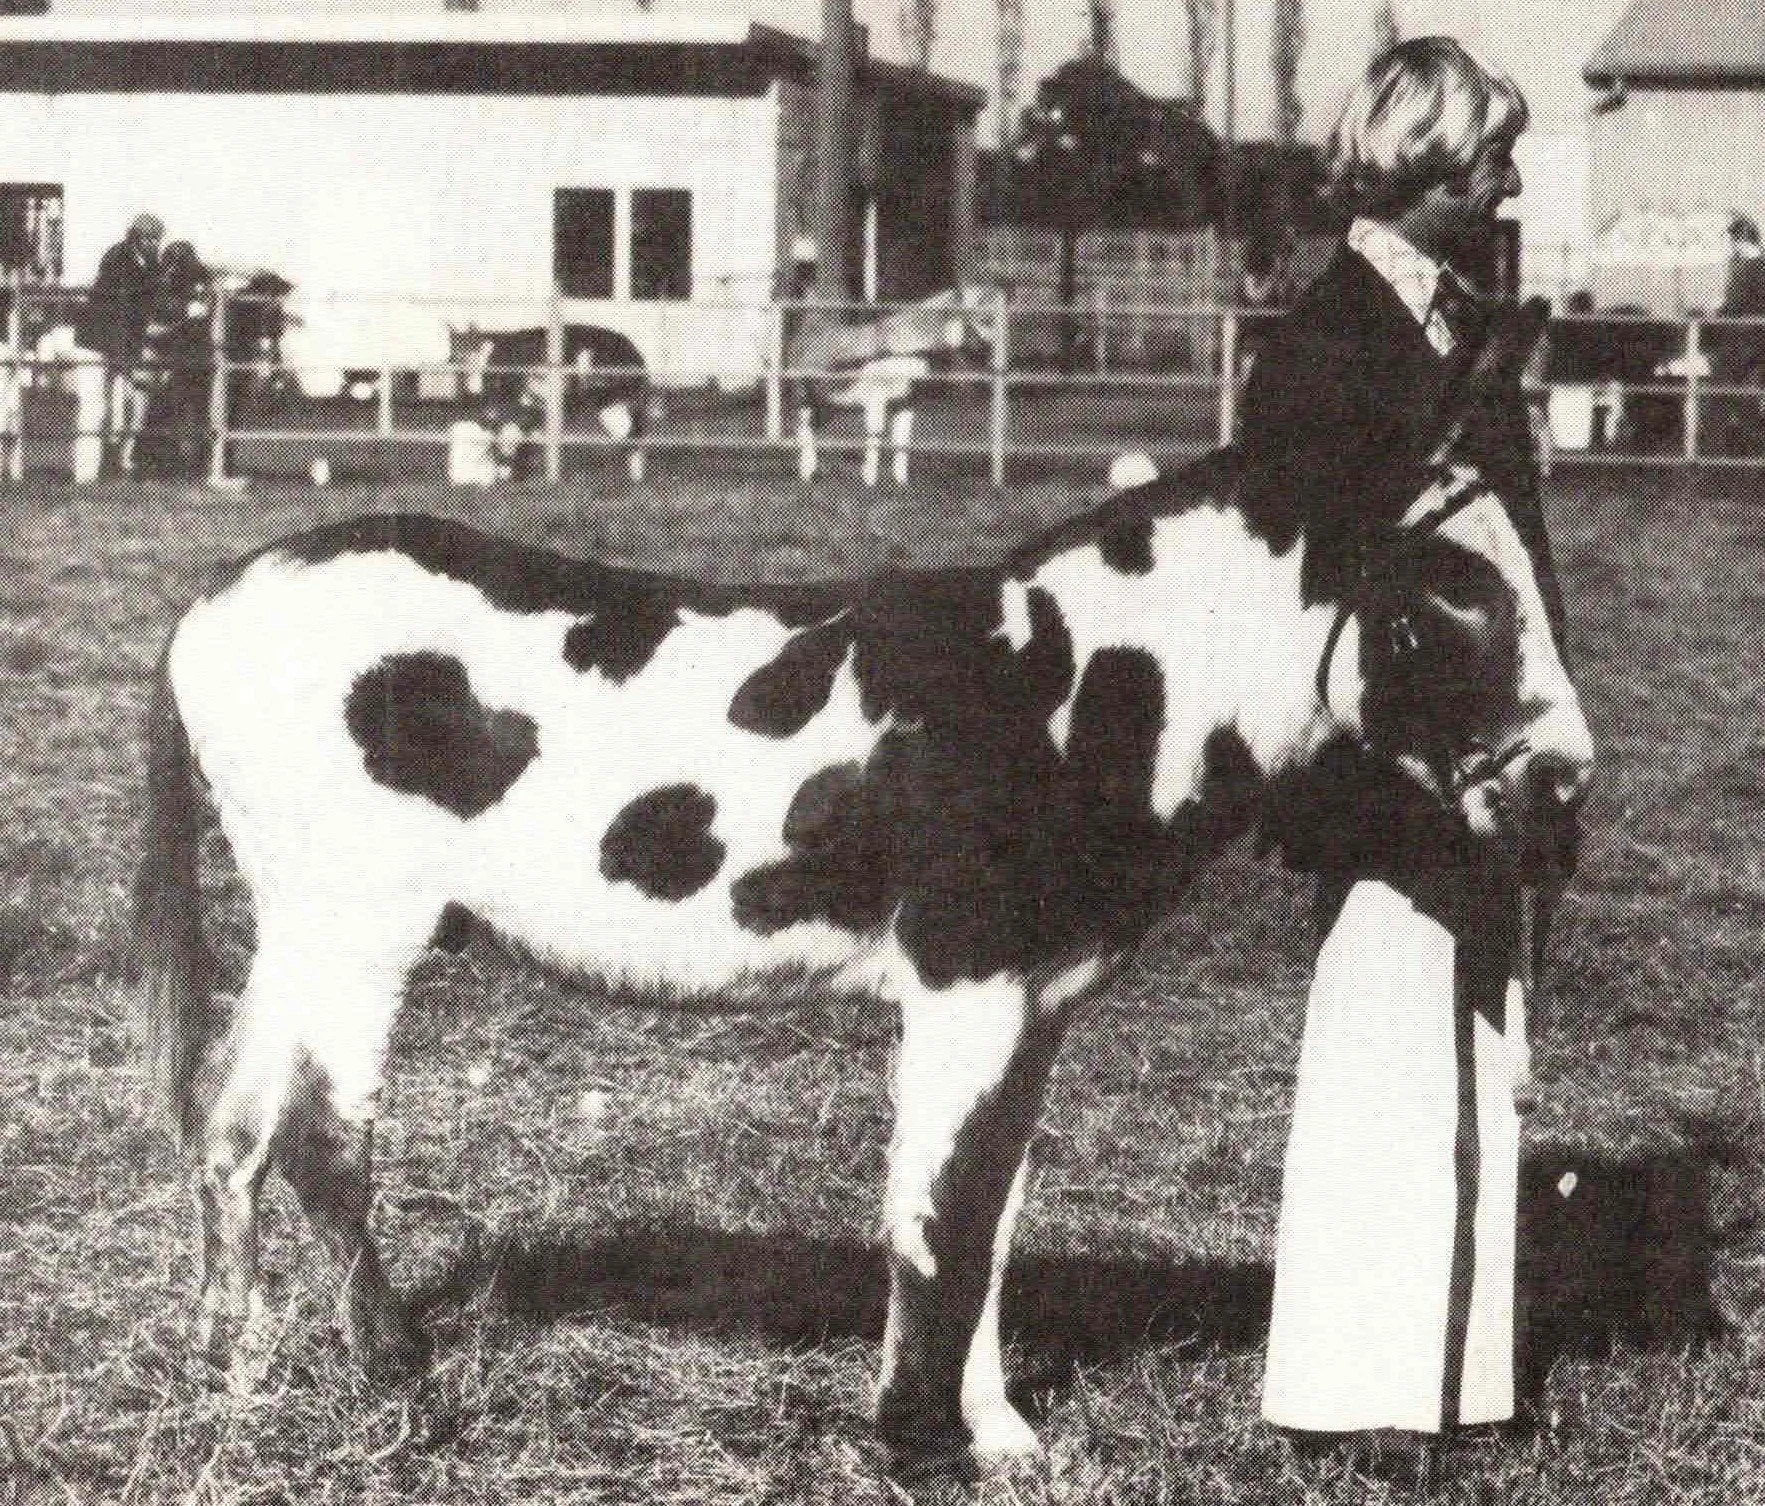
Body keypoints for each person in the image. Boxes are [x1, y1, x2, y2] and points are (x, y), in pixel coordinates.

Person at [1238, 38, 1574, 1455]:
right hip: (1397, 767)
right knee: (1398, 1052)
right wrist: (1433, 756)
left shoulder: (1448, 326)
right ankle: (1364, 1389)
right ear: (1429, 171)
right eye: (1491, 154)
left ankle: (1434, 1376)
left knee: (1461, 1054)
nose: (1508, 179)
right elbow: (1316, 577)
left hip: (1471, 750)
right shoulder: (1331, 341)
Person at [73, 212, 163, 480]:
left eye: (156, 238)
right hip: (97, 342)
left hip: (119, 343)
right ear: (136, 236)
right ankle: (86, 473)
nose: (154, 243)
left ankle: (113, 464)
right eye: (149, 238)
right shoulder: (118, 258)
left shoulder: (147, 264)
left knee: (122, 405)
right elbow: (123, 309)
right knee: (95, 406)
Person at [140, 240, 214, 478]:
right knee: (171, 407)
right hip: (180, 352)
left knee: (186, 407)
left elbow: (197, 312)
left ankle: (191, 461)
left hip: (190, 352)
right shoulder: (170, 283)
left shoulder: (190, 280)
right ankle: (160, 459)